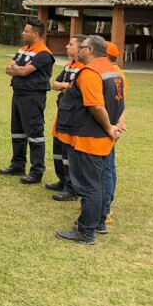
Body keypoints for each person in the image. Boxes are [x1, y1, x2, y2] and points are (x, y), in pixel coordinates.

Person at [54, 35, 125, 244]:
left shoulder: (90, 73)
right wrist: (115, 127)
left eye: (82, 47)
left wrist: (109, 127)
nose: (78, 50)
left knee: (88, 185)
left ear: (91, 50)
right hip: (102, 138)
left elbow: (95, 105)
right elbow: (120, 104)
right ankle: (99, 221)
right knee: (99, 181)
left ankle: (86, 231)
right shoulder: (114, 72)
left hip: (89, 138)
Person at [0, 19, 54, 184]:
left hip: (33, 97)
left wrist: (18, 69)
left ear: (35, 34)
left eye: (26, 31)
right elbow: (8, 68)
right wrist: (18, 69)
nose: (23, 33)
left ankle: (36, 171)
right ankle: (18, 165)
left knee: (35, 134)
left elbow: (23, 71)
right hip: (18, 95)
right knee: (17, 132)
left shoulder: (44, 54)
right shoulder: (23, 50)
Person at [48, 35, 85, 201]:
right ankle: (62, 180)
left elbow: (75, 89)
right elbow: (54, 84)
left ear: (80, 48)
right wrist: (65, 86)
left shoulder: (83, 67)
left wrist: (65, 87)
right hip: (62, 110)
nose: (66, 46)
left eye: (71, 44)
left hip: (73, 113)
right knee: (58, 147)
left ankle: (71, 188)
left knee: (68, 151)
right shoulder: (70, 65)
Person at [103, 41, 128, 230]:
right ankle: (104, 206)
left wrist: (117, 125)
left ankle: (106, 209)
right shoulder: (114, 73)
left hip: (108, 127)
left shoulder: (114, 74)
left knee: (107, 168)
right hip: (109, 126)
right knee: (107, 167)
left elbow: (121, 103)